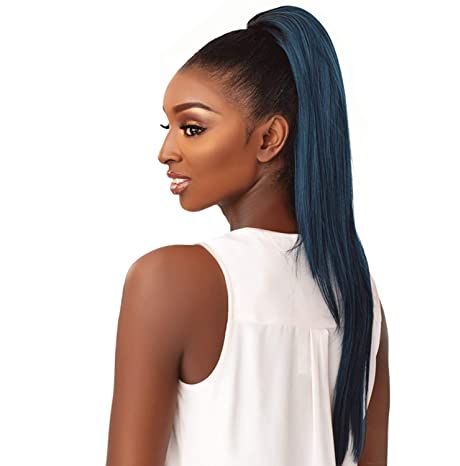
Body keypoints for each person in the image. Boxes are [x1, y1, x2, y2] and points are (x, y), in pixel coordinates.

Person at [105, 5, 390, 466]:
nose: (166, 151)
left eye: (192, 128)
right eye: (168, 127)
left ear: (268, 138)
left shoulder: (170, 280)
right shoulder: (359, 299)